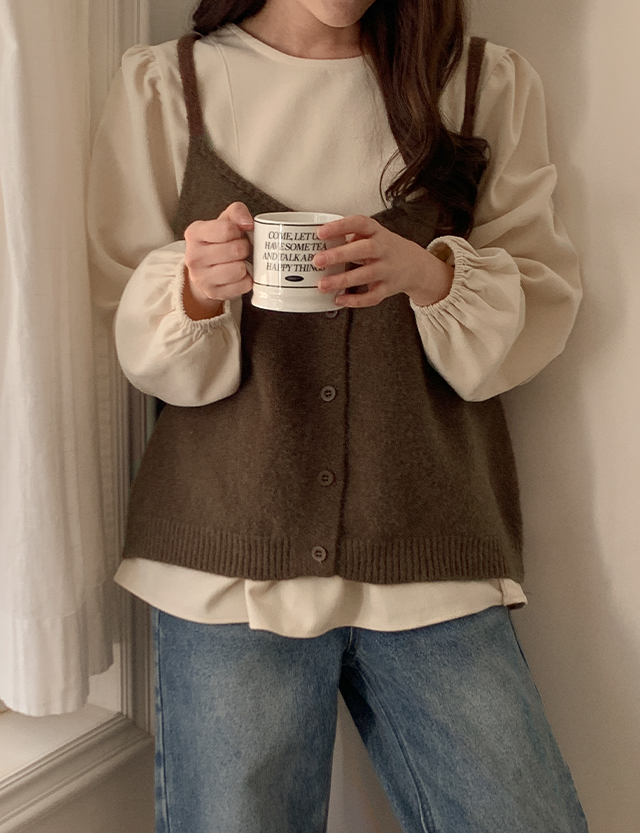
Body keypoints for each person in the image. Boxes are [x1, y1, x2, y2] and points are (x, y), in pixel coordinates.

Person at [88, 1, 589, 831]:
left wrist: (427, 275)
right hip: (226, 565)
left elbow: (542, 297)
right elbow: (123, 327)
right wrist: (195, 287)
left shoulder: (480, 85)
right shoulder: (167, 88)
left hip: (428, 547)